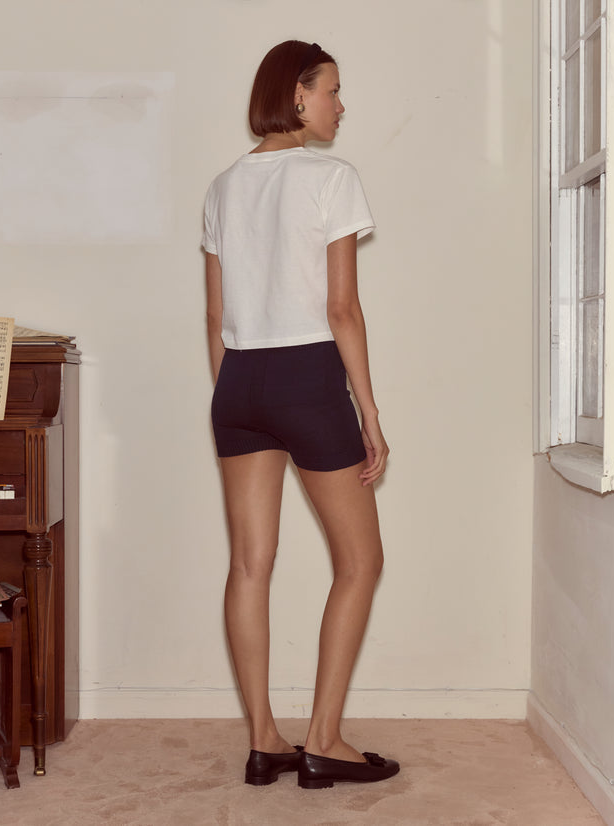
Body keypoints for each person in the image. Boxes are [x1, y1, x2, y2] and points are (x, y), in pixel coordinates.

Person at [202, 40, 398, 790]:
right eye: (332, 92)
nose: (340, 106)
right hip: (308, 375)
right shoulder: (331, 178)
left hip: (240, 379)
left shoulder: (222, 186)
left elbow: (217, 315)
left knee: (250, 564)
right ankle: (323, 742)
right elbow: (342, 307)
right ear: (296, 95)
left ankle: (264, 742)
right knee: (361, 561)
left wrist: (239, 397)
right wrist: (369, 413)